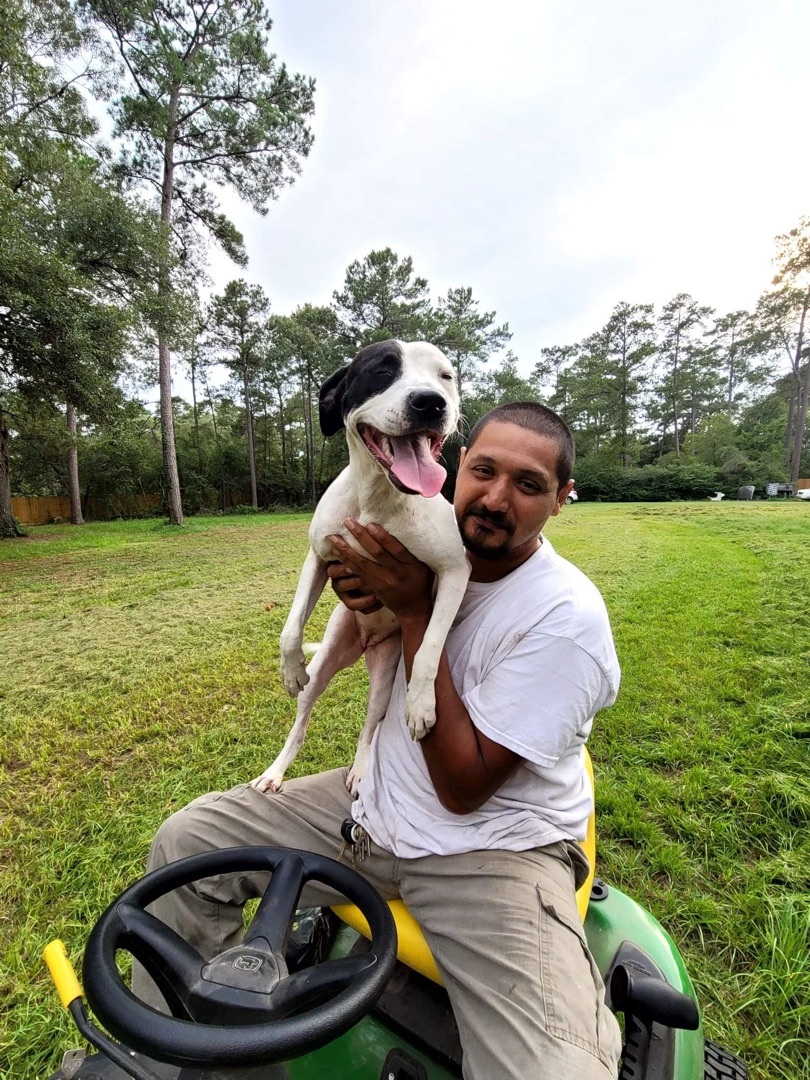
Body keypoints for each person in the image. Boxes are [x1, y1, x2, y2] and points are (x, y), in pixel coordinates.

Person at [134, 402, 623, 1079]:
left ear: (563, 499)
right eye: (482, 471)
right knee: (187, 841)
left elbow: (462, 789)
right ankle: (174, 1054)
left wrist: (418, 606)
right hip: (374, 808)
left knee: (552, 1069)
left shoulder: (565, 619)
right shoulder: (415, 542)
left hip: (494, 850)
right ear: (451, 465)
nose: (496, 498)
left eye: (529, 484)